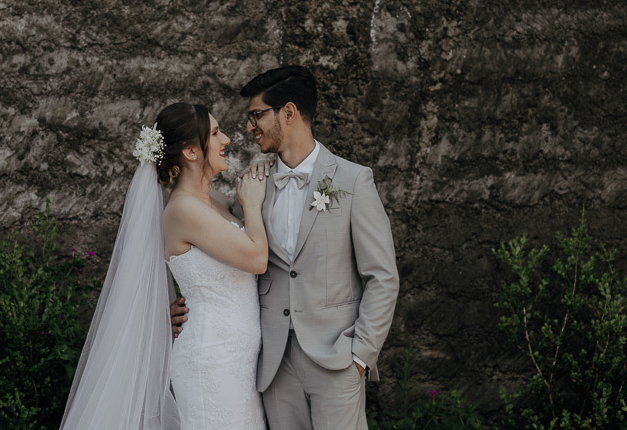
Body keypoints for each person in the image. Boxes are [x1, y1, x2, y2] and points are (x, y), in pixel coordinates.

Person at [172, 66, 399, 430]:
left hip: (337, 360)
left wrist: (361, 355)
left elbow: (383, 277)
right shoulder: (252, 186)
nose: (249, 127)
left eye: (256, 115)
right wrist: (179, 307)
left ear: (288, 113)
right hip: (273, 366)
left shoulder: (353, 180)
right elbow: (209, 250)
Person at [60, 103, 268, 430]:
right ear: (189, 151)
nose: (226, 139)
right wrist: (253, 205)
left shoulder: (217, 201)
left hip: (237, 363)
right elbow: (256, 258)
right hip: (211, 361)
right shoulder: (183, 210)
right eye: (214, 133)